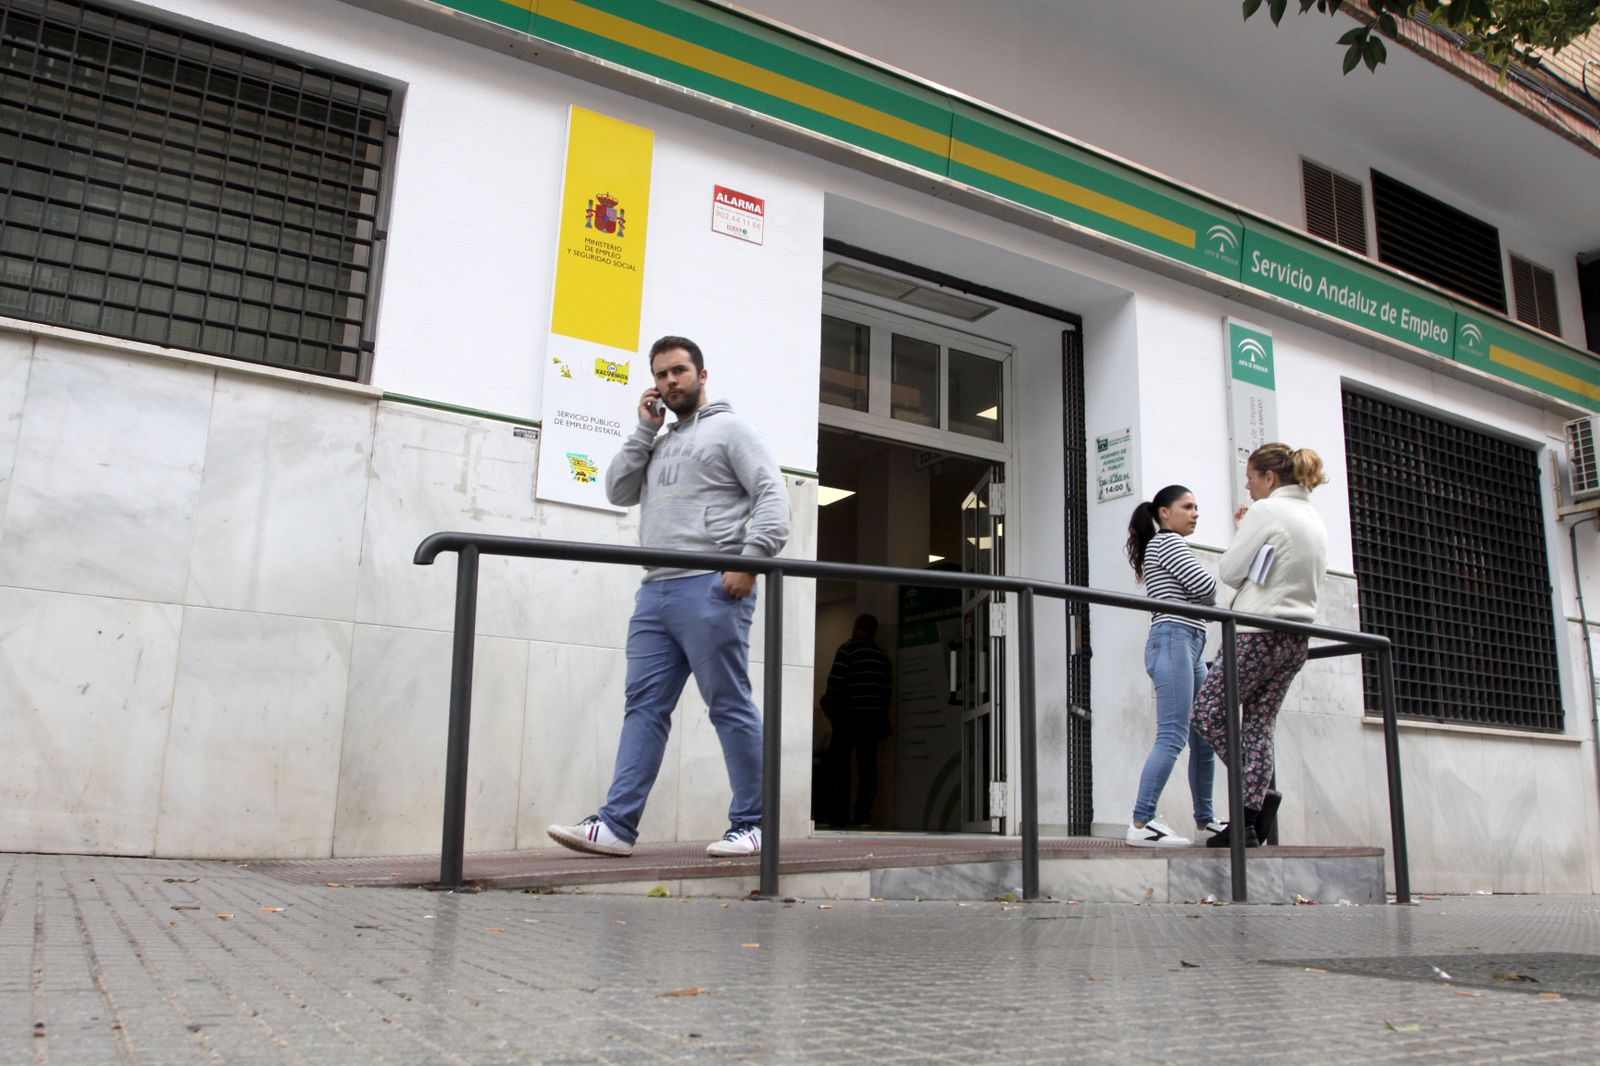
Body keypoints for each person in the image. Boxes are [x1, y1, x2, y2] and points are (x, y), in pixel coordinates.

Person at [547, 335, 790, 858]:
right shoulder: (656, 440)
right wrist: (643, 429)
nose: (669, 382)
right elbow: (615, 490)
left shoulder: (731, 430)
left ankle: (754, 824)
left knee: (728, 705)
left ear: (702, 376)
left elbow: (774, 494)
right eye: (660, 374)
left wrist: (748, 563)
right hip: (655, 590)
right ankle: (616, 826)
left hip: (710, 585)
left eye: (678, 371)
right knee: (644, 708)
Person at [1192, 443, 1329, 849]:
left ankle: (1258, 790)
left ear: (1270, 478)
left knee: (1206, 712)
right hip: (1296, 638)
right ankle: (1249, 821)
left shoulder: (1267, 511)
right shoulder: (1315, 518)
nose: (1248, 488)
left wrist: (1243, 532)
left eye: (1251, 478)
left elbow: (1231, 572)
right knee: (1258, 724)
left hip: (1257, 632)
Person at [1123, 485, 1220, 848]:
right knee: (1173, 735)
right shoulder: (1169, 543)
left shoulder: (1168, 545)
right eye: (1187, 506)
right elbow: (1206, 588)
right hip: (1174, 638)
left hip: (1188, 643)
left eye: (1197, 507)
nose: (1195, 513)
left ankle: (1206, 820)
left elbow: (1202, 593)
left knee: (1204, 736)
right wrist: (1209, 586)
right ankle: (1141, 821)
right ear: (1164, 513)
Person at [819, 613, 893, 826]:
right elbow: (886, 694)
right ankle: (863, 817)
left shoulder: (847, 650)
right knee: (867, 770)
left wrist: (830, 707)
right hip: (873, 721)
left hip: (848, 718)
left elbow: (834, 684)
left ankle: (837, 816)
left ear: (856, 627)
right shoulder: (882, 658)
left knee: (838, 768)